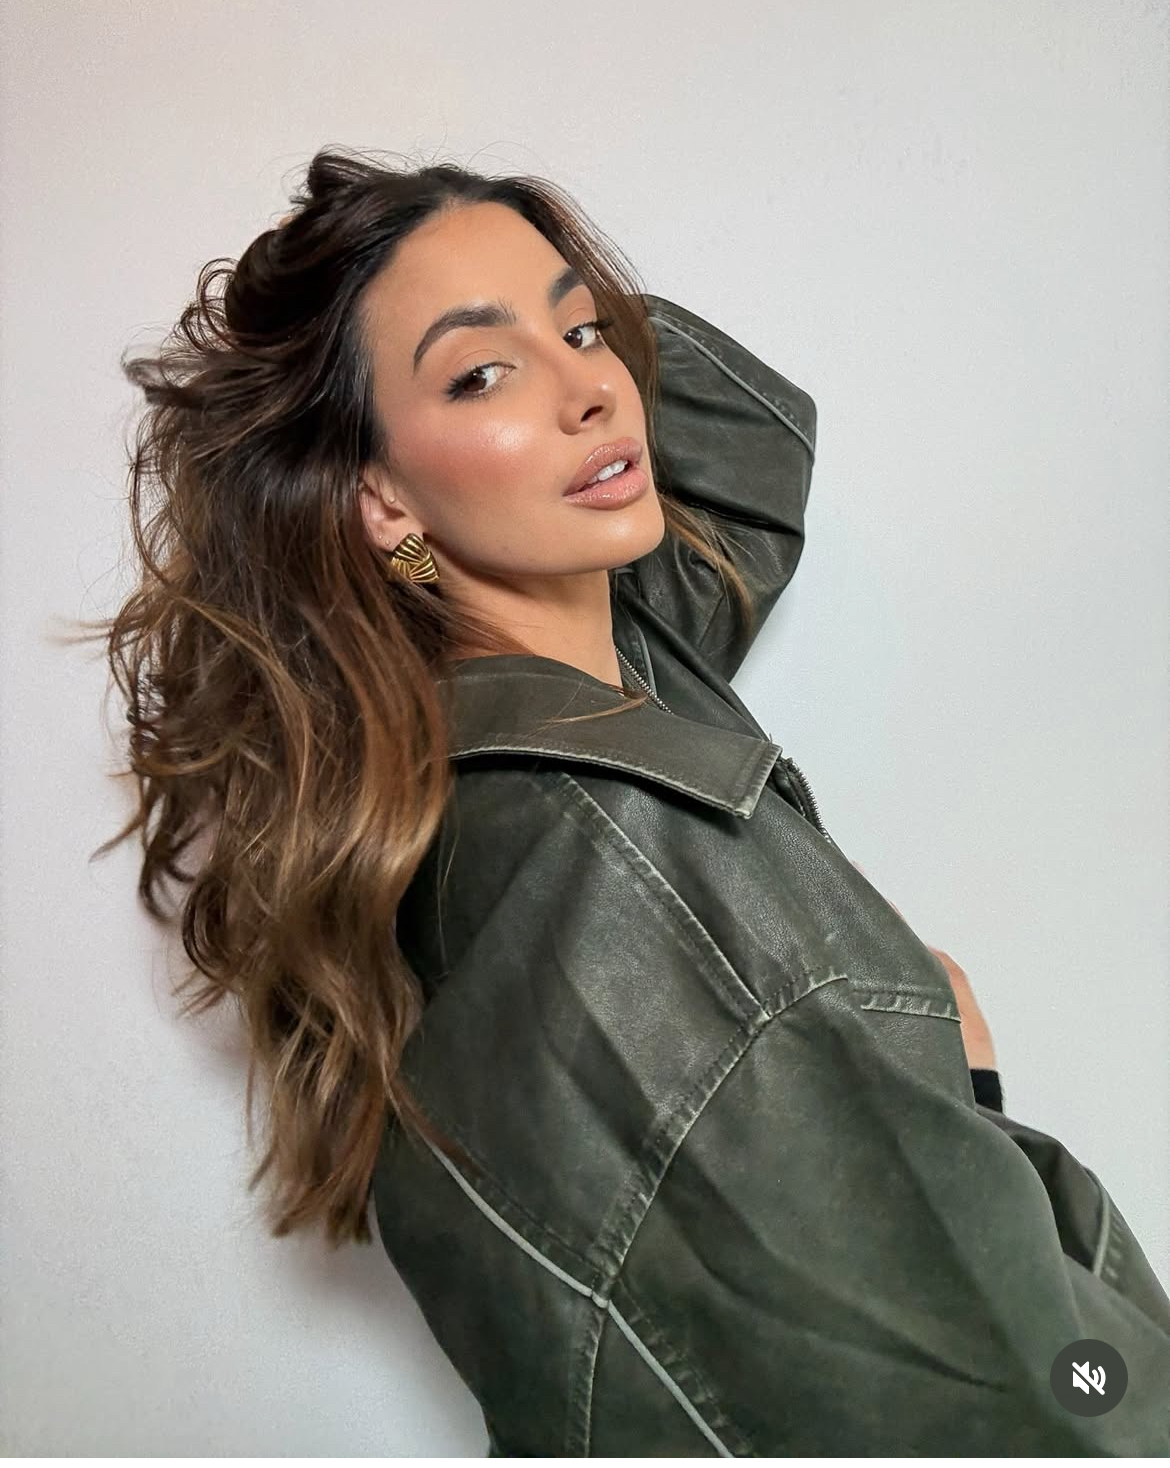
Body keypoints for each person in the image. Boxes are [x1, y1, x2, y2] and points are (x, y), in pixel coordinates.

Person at [87, 146, 1170, 1455]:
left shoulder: (564, 697)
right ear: (380, 499)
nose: (592, 390)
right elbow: (1024, 1417)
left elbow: (749, 458)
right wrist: (974, 1098)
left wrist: (486, 271)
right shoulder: (609, 873)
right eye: (478, 374)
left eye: (582, 329)